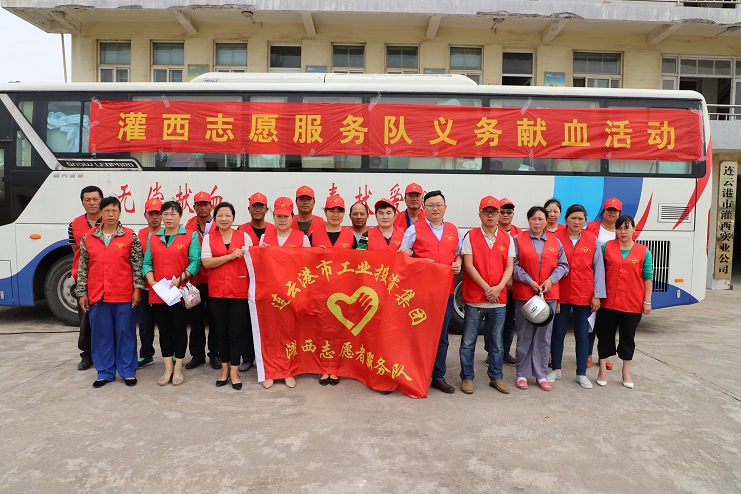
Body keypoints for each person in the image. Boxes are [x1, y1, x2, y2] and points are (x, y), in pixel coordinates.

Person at [76, 196, 144, 388]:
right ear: (101, 213)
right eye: (107, 210)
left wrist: (138, 289)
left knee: (125, 333)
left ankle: (127, 371)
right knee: (101, 334)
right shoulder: (89, 237)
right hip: (98, 294)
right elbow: (83, 266)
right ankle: (105, 372)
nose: (111, 214)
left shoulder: (130, 236)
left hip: (123, 293)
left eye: (114, 210)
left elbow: (137, 265)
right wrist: (82, 292)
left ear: (120, 213)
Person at [400, 190, 462, 394]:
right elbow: (402, 258)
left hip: (445, 292)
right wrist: (417, 260)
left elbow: (459, 254)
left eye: (439, 205)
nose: (435, 209)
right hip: (421, 292)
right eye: (431, 205)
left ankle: (438, 376)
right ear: (423, 208)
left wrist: (458, 264)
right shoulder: (414, 230)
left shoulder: (454, 229)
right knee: (417, 333)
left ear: (445, 207)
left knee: (441, 335)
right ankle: (414, 374)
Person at [458, 196, 514, 395]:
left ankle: (496, 377)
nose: (490, 216)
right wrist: (487, 288)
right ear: (480, 214)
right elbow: (468, 265)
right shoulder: (470, 236)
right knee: (468, 342)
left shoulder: (507, 238)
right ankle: (467, 377)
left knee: (497, 343)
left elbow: (509, 266)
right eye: (486, 212)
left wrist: (498, 288)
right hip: (475, 299)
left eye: (494, 212)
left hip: (498, 301)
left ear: (499, 215)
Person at [143, 201, 202, 387]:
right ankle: (167, 367)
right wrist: (152, 282)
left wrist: (181, 278)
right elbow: (147, 263)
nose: (169, 218)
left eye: (173, 214)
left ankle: (178, 366)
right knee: (164, 330)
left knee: (179, 328)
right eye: (166, 214)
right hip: (159, 293)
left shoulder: (190, 235)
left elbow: (196, 261)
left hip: (179, 292)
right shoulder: (153, 237)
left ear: (180, 216)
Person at [512, 206, 569, 391]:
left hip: (548, 296)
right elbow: (513, 265)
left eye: (540, 219)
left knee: (544, 336)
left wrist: (551, 280)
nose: (537, 222)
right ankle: (522, 373)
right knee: (524, 334)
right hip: (526, 295)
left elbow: (563, 265)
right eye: (533, 219)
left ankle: (540, 374)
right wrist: (529, 281)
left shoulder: (555, 241)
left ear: (546, 221)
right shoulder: (518, 239)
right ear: (528, 220)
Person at [550, 204, 606, 389]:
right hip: (560, 292)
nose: (576, 222)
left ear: (585, 221)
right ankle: (556, 369)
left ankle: (581, 373)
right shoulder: (556, 238)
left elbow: (598, 269)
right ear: (566, 219)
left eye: (580, 219)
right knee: (558, 332)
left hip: (584, 293)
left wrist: (597, 295)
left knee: (582, 334)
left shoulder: (592, 240)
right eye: (573, 218)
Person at [595, 215, 653, 389]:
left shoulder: (644, 251)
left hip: (632, 302)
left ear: (634, 229)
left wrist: (647, 301)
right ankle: (602, 371)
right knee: (604, 336)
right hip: (608, 302)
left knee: (628, 337)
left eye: (626, 228)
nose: (623, 231)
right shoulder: (606, 247)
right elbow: (598, 273)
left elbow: (648, 277)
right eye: (619, 228)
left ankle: (626, 372)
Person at [201, 202, 254, 391]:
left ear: (233, 217)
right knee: (221, 332)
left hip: (239, 291)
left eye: (228, 215)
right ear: (215, 218)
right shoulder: (209, 238)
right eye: (220, 215)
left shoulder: (244, 236)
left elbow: (253, 261)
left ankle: (234, 372)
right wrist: (229, 256)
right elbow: (207, 262)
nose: (224, 219)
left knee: (236, 333)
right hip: (217, 292)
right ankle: (224, 370)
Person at [259, 196, 309, 389]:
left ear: (292, 217)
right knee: (270, 334)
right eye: (278, 216)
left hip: (292, 294)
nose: (282, 220)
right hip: (270, 294)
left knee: (290, 333)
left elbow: (307, 266)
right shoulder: (265, 238)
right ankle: (270, 372)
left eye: (285, 216)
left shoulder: (302, 238)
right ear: (273, 217)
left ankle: (288, 371)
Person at [309, 194, 354, 386]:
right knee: (320, 330)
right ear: (325, 212)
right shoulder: (313, 234)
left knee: (338, 330)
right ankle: (323, 368)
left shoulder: (350, 235)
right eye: (331, 210)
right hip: (320, 290)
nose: (335, 214)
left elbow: (357, 264)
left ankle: (335, 368)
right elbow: (303, 262)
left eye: (339, 211)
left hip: (342, 292)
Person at [237, 191, 274, 372]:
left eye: (261, 206)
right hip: (248, 281)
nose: (258, 209)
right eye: (255, 206)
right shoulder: (241, 230)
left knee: (268, 322)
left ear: (267, 209)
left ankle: (267, 357)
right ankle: (247, 357)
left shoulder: (274, 230)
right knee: (246, 322)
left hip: (270, 283)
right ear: (249, 209)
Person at [585, 197, 623, 370]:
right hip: (593, 279)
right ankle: (587, 354)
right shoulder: (592, 228)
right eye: (609, 210)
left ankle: (604, 355)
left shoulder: (622, 231)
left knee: (607, 322)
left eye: (615, 211)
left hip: (613, 281)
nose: (611, 213)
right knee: (591, 319)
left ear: (619, 214)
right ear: (604, 212)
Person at [69, 185, 103, 371]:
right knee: (85, 317)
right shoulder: (74, 224)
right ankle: (87, 354)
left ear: (101, 201)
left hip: (105, 277)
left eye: (95, 199)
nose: (91, 203)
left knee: (104, 318)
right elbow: (77, 250)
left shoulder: (110, 220)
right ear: (82, 202)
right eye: (87, 200)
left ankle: (103, 353)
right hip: (83, 279)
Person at [185, 191, 218, 370]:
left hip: (215, 279)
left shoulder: (219, 223)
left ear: (211, 206)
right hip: (195, 280)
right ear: (194, 207)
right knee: (195, 319)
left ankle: (215, 354)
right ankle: (197, 354)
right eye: (199, 204)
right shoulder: (188, 225)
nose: (202, 207)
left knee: (215, 318)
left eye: (206, 204)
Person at [136, 198, 162, 369]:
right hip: (145, 287)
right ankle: (146, 354)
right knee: (145, 324)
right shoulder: (139, 235)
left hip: (163, 287)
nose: (154, 217)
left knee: (167, 323)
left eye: (157, 213)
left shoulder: (168, 233)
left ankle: (172, 353)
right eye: (151, 213)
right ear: (145, 215)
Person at [498, 197, 522, 367]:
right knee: (493, 322)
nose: (506, 215)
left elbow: (520, 260)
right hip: (495, 286)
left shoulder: (519, 234)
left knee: (509, 321)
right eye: (502, 212)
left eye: (509, 212)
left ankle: (505, 352)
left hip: (513, 286)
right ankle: (492, 353)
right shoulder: (491, 231)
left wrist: (512, 279)